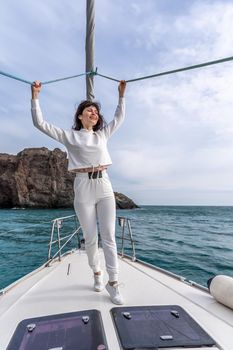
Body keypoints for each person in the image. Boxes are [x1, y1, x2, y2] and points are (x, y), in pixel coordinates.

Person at [31, 80, 126, 304]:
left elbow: (119, 117)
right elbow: (40, 123)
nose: (93, 112)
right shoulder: (69, 136)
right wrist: (35, 96)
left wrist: (121, 95)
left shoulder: (102, 135)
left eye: (95, 111)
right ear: (80, 116)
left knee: (109, 236)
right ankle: (96, 272)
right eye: (89, 110)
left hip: (104, 185)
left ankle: (113, 283)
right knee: (91, 238)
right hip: (83, 186)